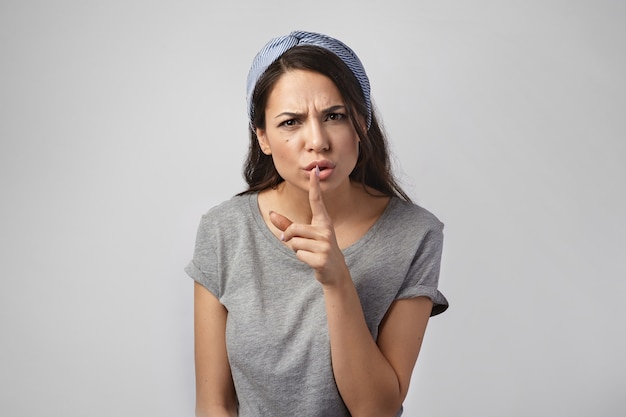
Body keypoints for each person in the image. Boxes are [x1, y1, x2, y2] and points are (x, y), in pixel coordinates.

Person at [185, 30, 448, 417]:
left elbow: (377, 410)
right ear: (263, 138)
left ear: (362, 123)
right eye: (291, 122)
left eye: (334, 116)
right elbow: (215, 404)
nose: (317, 140)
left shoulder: (415, 234)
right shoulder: (224, 230)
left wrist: (337, 280)